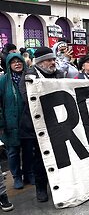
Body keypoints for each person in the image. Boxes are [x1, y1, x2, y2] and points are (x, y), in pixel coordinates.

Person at [19, 46, 65, 202]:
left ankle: (59, 184)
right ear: (40, 62)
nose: (53, 62)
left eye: (53, 59)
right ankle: (41, 188)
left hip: (57, 123)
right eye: (49, 60)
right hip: (37, 126)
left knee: (61, 155)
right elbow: (28, 98)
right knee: (40, 158)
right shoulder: (29, 76)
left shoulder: (59, 74)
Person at [0, 53, 34, 190]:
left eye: (19, 61)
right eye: (13, 62)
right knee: (13, 152)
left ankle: (29, 173)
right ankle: (17, 177)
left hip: (27, 122)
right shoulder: (3, 81)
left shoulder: (29, 79)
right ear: (9, 65)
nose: (17, 64)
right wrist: (1, 123)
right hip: (10, 124)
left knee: (28, 150)